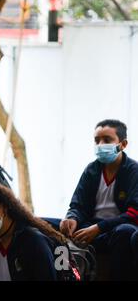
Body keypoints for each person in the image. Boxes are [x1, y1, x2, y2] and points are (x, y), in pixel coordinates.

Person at [56, 119, 138, 280]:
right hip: (90, 227)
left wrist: (99, 228)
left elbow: (134, 213)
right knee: (43, 224)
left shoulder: (133, 171)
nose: (100, 145)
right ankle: (66, 276)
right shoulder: (91, 170)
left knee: (125, 232)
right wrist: (72, 218)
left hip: (116, 230)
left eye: (107, 140)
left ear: (123, 144)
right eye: (97, 140)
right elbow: (77, 204)